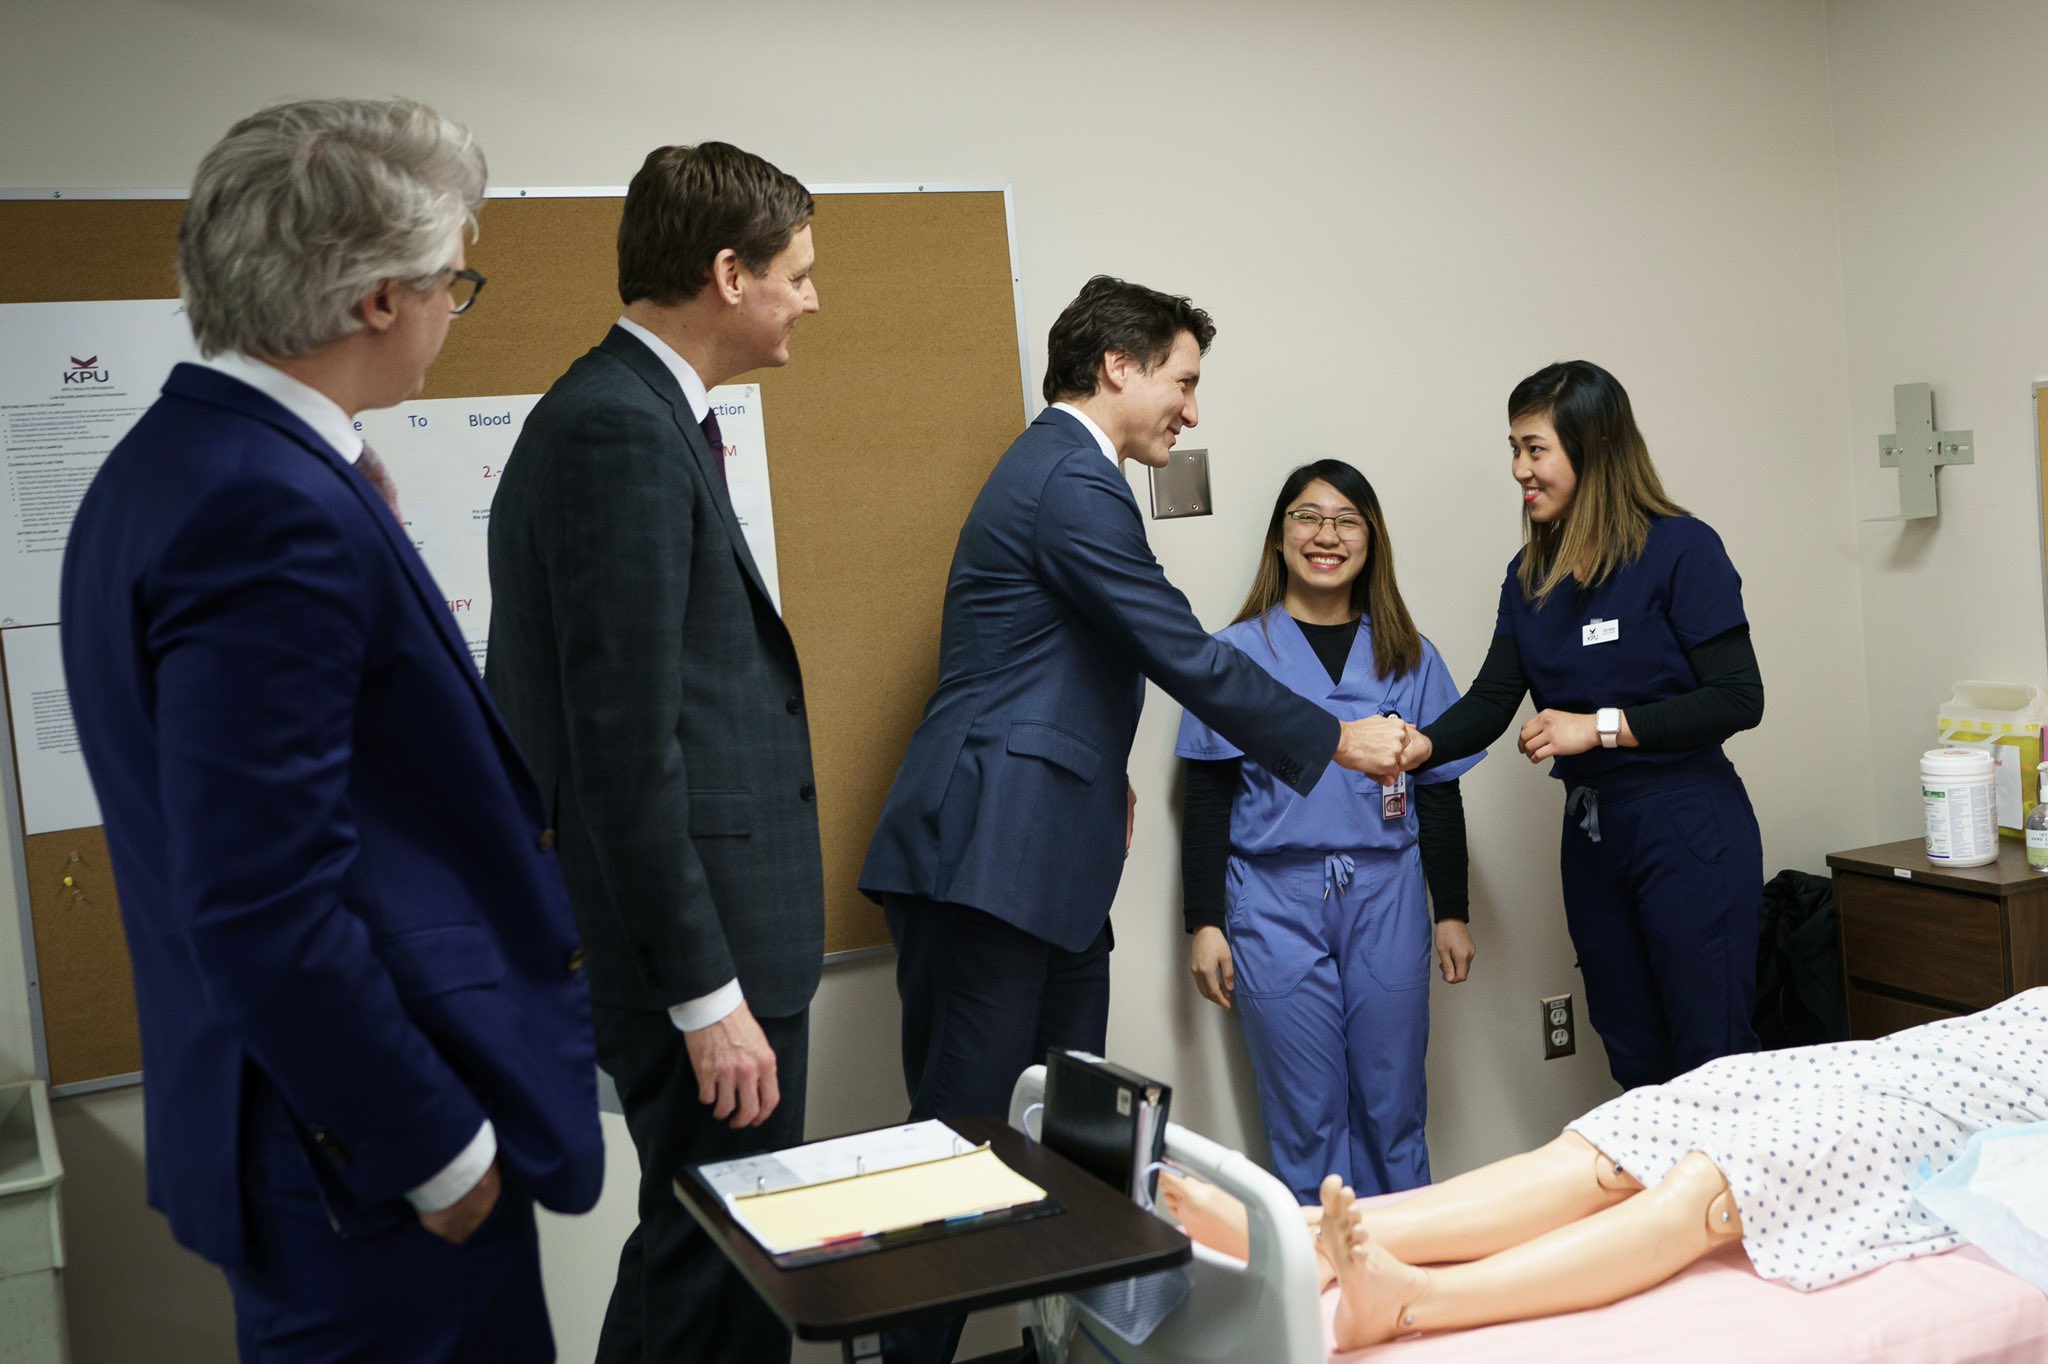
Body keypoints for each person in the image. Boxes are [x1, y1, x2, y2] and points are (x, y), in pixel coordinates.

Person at [58, 98, 603, 1361]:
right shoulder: (267, 506)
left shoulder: (185, 462)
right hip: (364, 1163)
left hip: (314, 1136)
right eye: (453, 283)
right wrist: (433, 1143)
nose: (448, 318)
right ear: (378, 300)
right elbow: (260, 899)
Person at [859, 276, 1407, 1363]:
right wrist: (1333, 737)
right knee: (965, 1153)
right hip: (987, 855)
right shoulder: (1068, 475)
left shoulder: (1070, 475)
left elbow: (1065, 660)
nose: (1190, 410)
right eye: (1183, 379)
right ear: (1118, 365)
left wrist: (1099, 770)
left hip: (1044, 862)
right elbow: (1180, 647)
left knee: (1075, 1152)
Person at [484, 142, 822, 1364]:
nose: (811, 299)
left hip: (720, 939)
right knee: (715, 1274)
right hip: (699, 956)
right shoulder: (616, 431)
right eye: (797, 273)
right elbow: (622, 749)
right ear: (728, 275)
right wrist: (705, 993)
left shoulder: (643, 415)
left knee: (716, 1263)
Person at [1160, 988, 2048, 1351]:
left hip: (1958, 1114)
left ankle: (1414, 1302)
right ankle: (1310, 1241)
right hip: (1903, 1057)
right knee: (1632, 1131)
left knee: (1720, 1181)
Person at [1399, 360, 1765, 1089]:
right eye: (1514, 449)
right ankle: (1656, 1203)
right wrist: (1423, 745)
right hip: (1596, 837)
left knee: (1710, 1053)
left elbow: (1737, 697)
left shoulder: (1681, 550)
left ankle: (1724, 1205)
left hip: (1686, 824)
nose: (1519, 470)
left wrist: (1598, 728)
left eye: (1535, 449)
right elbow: (1494, 695)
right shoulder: (1529, 575)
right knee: (1631, 1049)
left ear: (1592, 448)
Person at [1177, 460, 1483, 1201]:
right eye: (1307, 517)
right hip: (1272, 901)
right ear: (1279, 538)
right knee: (1305, 1115)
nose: (1326, 535)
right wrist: (1205, 923)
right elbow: (1206, 792)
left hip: (1388, 893)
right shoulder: (1236, 656)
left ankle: (1411, 1284)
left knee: (1393, 1107)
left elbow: (1438, 791)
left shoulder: (1408, 654)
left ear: (1371, 540)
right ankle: (1325, 1299)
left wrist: (1451, 911)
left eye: (1347, 519)